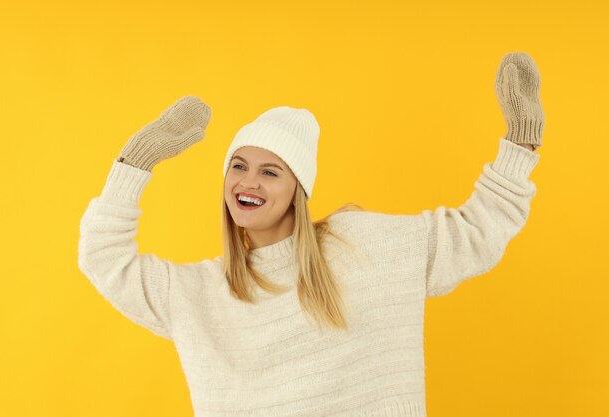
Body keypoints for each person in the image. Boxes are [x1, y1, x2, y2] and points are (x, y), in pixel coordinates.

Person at [78, 52, 543, 417]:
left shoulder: (364, 246)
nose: (248, 183)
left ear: (298, 190)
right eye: (237, 167)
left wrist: (520, 143)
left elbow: (476, 230)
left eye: (270, 172)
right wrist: (135, 163)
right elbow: (103, 259)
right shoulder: (202, 293)